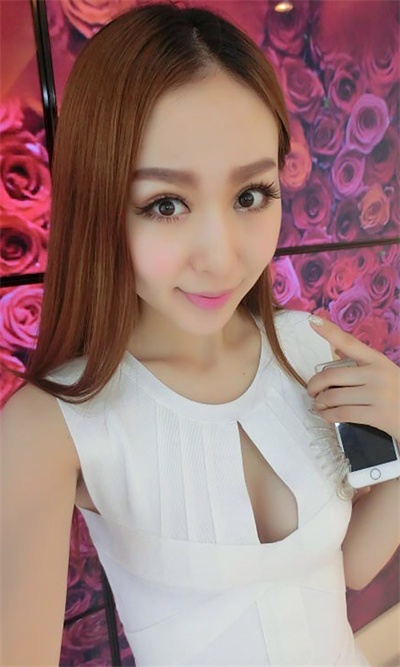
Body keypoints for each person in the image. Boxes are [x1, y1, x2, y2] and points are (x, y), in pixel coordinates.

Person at [1, 2, 399, 666]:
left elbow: (350, 567)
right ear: (99, 202)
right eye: (166, 204)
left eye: (250, 195)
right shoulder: (52, 425)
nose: (221, 256)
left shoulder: (310, 347)